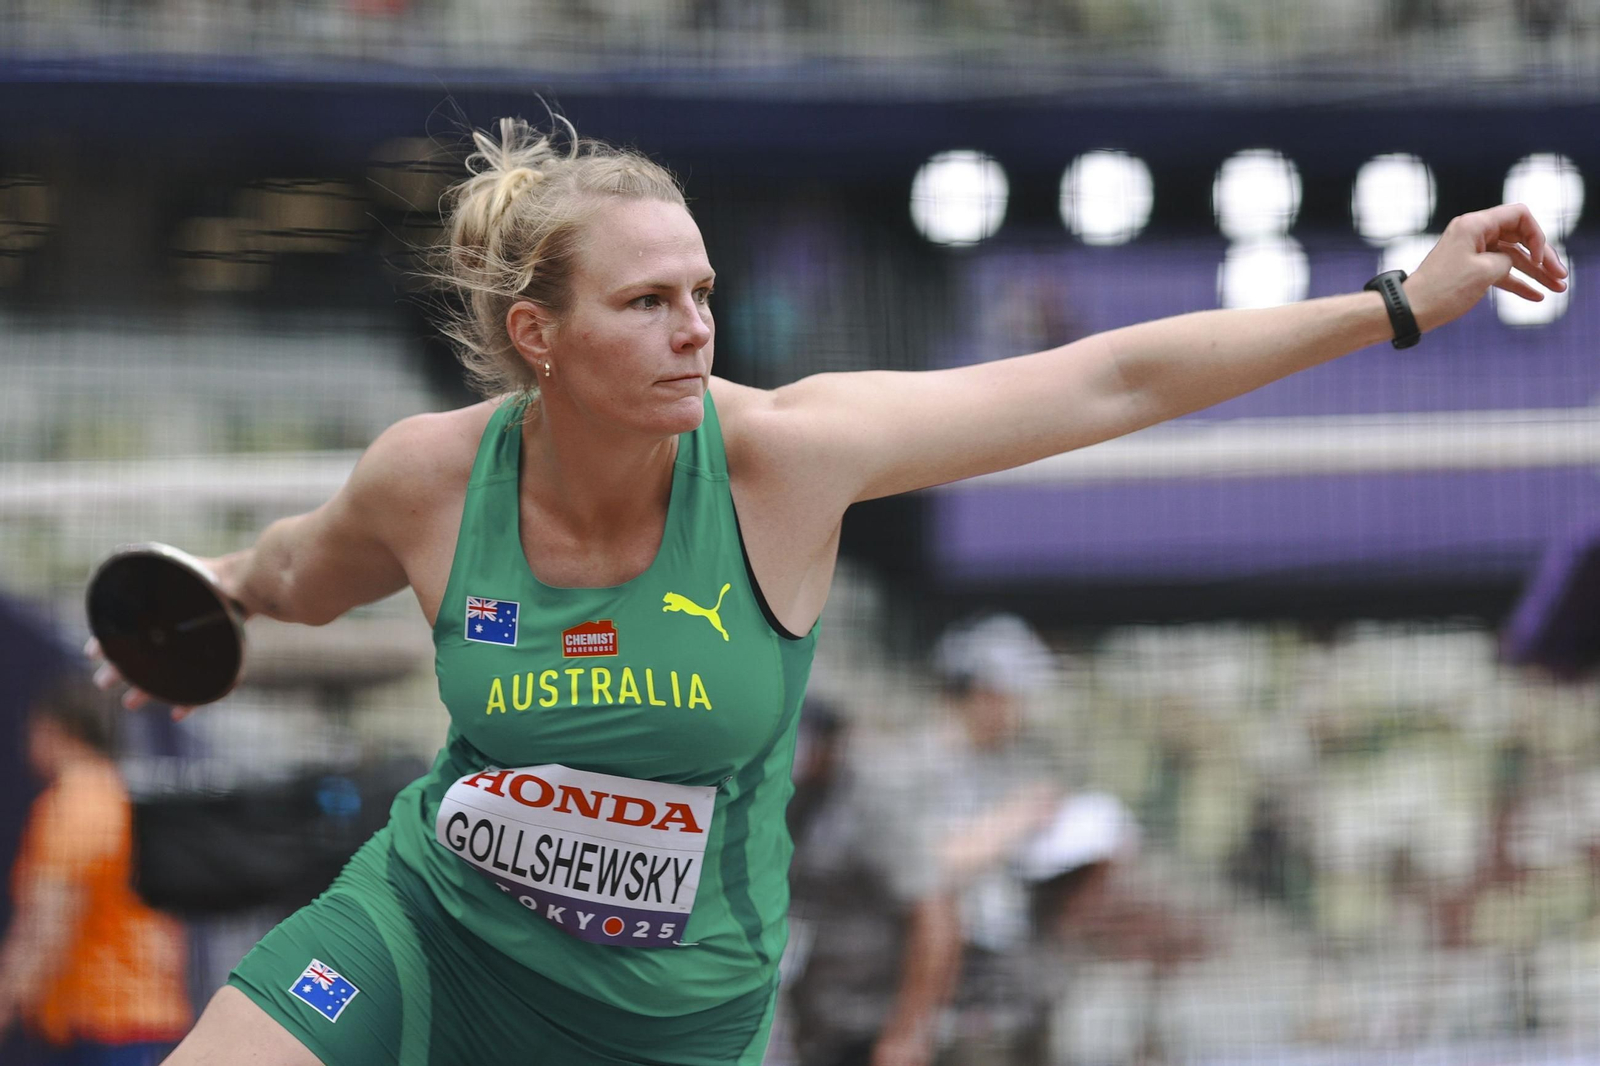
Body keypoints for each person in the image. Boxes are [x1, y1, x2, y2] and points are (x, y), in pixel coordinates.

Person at [88, 112, 1565, 1065]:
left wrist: (1396, 301)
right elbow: (292, 568)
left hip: (663, 1022)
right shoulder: (430, 475)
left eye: (704, 294)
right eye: (647, 301)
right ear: (537, 335)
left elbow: (1109, 376)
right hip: (429, 927)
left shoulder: (785, 459)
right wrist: (197, 601)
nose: (694, 329)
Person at [0, 680, 191, 1066]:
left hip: (101, 1019)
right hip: (142, 1007)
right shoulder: (118, 793)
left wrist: (5, 999)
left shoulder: (73, 803)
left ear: (54, 729)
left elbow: (50, 921)